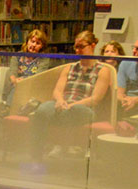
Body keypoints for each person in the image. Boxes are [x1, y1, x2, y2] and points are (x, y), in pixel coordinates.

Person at [29, 30, 111, 159]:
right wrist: (61, 101)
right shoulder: (70, 68)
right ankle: (36, 152)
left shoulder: (103, 70)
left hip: (84, 108)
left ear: (93, 45)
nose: (78, 51)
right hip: (63, 104)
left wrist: (71, 105)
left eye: (81, 47)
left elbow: (95, 99)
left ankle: (61, 146)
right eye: (76, 47)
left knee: (72, 111)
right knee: (42, 110)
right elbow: (57, 91)